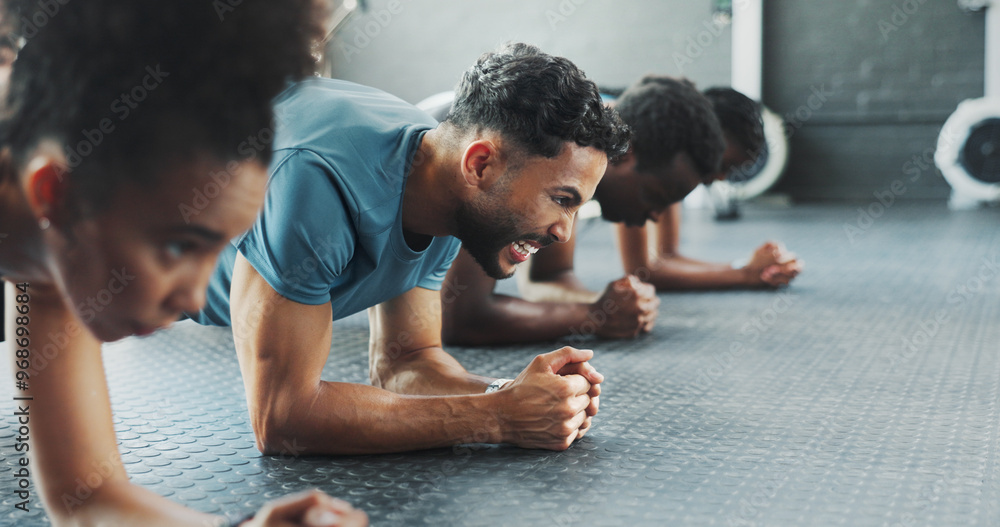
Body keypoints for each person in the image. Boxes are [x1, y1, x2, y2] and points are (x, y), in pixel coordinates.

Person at [0, 1, 365, 525]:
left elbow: (88, 498)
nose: (194, 297)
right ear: (55, 194)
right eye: (177, 246)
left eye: (218, 248)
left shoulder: (55, 244)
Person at [189, 43, 630, 455]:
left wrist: (516, 395)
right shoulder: (316, 180)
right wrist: (500, 417)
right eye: (562, 199)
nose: (564, 233)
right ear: (480, 165)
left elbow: (407, 363)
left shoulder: (446, 186)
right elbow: (283, 418)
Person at [441, 78, 801, 346]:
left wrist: (608, 307)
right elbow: (461, 319)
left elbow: (550, 278)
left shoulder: (589, 164)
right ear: (627, 153)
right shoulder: (556, 149)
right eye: (656, 197)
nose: (656, 217)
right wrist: (594, 316)